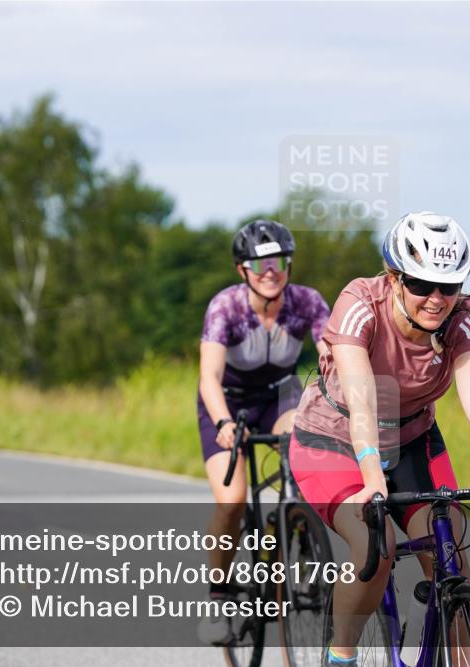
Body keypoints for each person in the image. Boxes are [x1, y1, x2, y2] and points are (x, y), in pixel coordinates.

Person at [287, 212, 470, 666]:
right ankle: (340, 655)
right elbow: (363, 398)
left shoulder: (461, 316)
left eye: (450, 286)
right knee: (374, 540)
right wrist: (372, 474)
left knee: (451, 553)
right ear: (395, 277)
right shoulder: (361, 302)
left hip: (411, 437)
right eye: (422, 284)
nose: (437, 298)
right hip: (336, 439)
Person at [196, 219, 331, 644]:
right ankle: (218, 598)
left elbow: (331, 354)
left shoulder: (307, 302)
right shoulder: (226, 308)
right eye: (259, 265)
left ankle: (301, 535)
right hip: (228, 401)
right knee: (232, 500)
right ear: (242, 271)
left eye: (279, 262)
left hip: (279, 397)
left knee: (303, 453)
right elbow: (209, 378)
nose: (270, 272)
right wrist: (222, 422)